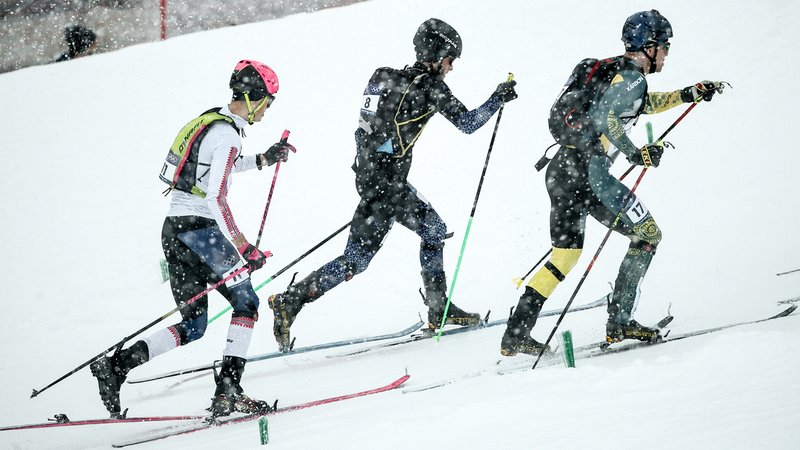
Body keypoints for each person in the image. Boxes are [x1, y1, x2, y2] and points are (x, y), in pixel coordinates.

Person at [267, 18, 518, 352]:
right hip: (388, 186)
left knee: (365, 256)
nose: (451, 67)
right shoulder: (430, 88)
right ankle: (437, 308)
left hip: (370, 179)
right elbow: (468, 124)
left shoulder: (382, 76)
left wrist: (373, 177)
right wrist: (497, 98)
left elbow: (366, 128)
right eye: (450, 59)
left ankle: (292, 299)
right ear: (438, 53)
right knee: (424, 234)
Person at [500, 10, 725, 356]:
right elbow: (609, 119)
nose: (666, 53)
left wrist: (687, 94)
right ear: (649, 47)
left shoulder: (610, 70)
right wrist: (636, 154)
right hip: (591, 177)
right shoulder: (632, 78)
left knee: (564, 257)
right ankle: (620, 321)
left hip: (561, 171)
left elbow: (636, 106)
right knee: (648, 235)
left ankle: (516, 332)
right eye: (664, 46)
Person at [90, 60, 296, 418]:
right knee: (246, 302)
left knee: (193, 325)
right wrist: (244, 246)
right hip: (202, 233)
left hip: (174, 230)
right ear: (254, 98)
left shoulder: (213, 122)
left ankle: (117, 366)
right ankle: (228, 390)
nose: (268, 109)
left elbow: (216, 169)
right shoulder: (228, 134)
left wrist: (263, 159)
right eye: (269, 101)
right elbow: (216, 197)